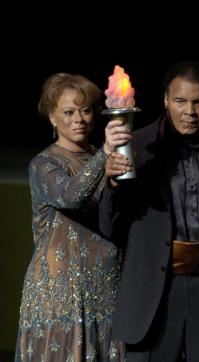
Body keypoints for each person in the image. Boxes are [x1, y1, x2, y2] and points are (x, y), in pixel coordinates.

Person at [100, 61, 199, 362]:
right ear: (165, 101)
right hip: (155, 292)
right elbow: (109, 226)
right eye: (180, 101)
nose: (190, 111)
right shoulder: (137, 145)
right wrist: (112, 184)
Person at [15, 73, 124, 361]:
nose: (79, 118)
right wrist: (105, 154)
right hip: (61, 298)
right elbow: (71, 196)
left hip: (106, 290)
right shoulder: (44, 163)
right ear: (52, 118)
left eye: (85, 110)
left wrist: (115, 181)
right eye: (68, 112)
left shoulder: (104, 158)